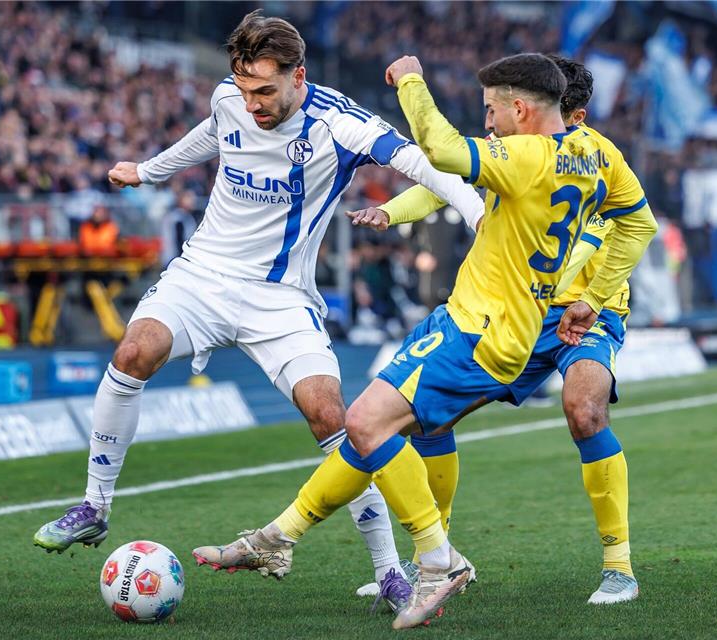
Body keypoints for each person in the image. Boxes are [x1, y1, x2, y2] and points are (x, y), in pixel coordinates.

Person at [32, 11, 485, 615]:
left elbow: (427, 166)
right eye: (244, 90)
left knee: (334, 417)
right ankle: (95, 506)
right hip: (201, 275)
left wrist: (478, 217)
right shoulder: (231, 98)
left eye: (265, 91)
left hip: (280, 297)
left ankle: (388, 571)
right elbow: (212, 131)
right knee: (133, 351)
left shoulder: (341, 124)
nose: (252, 104)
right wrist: (148, 171)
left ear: (299, 76)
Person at [193, 53, 657, 629]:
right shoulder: (582, 156)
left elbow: (442, 152)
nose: (488, 122)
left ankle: (472, 562)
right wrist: (393, 213)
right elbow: (449, 185)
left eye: (493, 109)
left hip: (511, 321)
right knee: (393, 427)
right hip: (502, 315)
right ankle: (280, 537)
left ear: (532, 109)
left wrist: (410, 78)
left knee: (572, 411)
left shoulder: (536, 155)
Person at [351, 55, 651, 606]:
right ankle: (434, 558)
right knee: (428, 415)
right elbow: (450, 183)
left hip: (586, 311)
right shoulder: (520, 148)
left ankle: (619, 568)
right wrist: (392, 212)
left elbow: (625, 229)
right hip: (520, 311)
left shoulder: (597, 157)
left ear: (573, 114)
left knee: (585, 409)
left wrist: (591, 299)